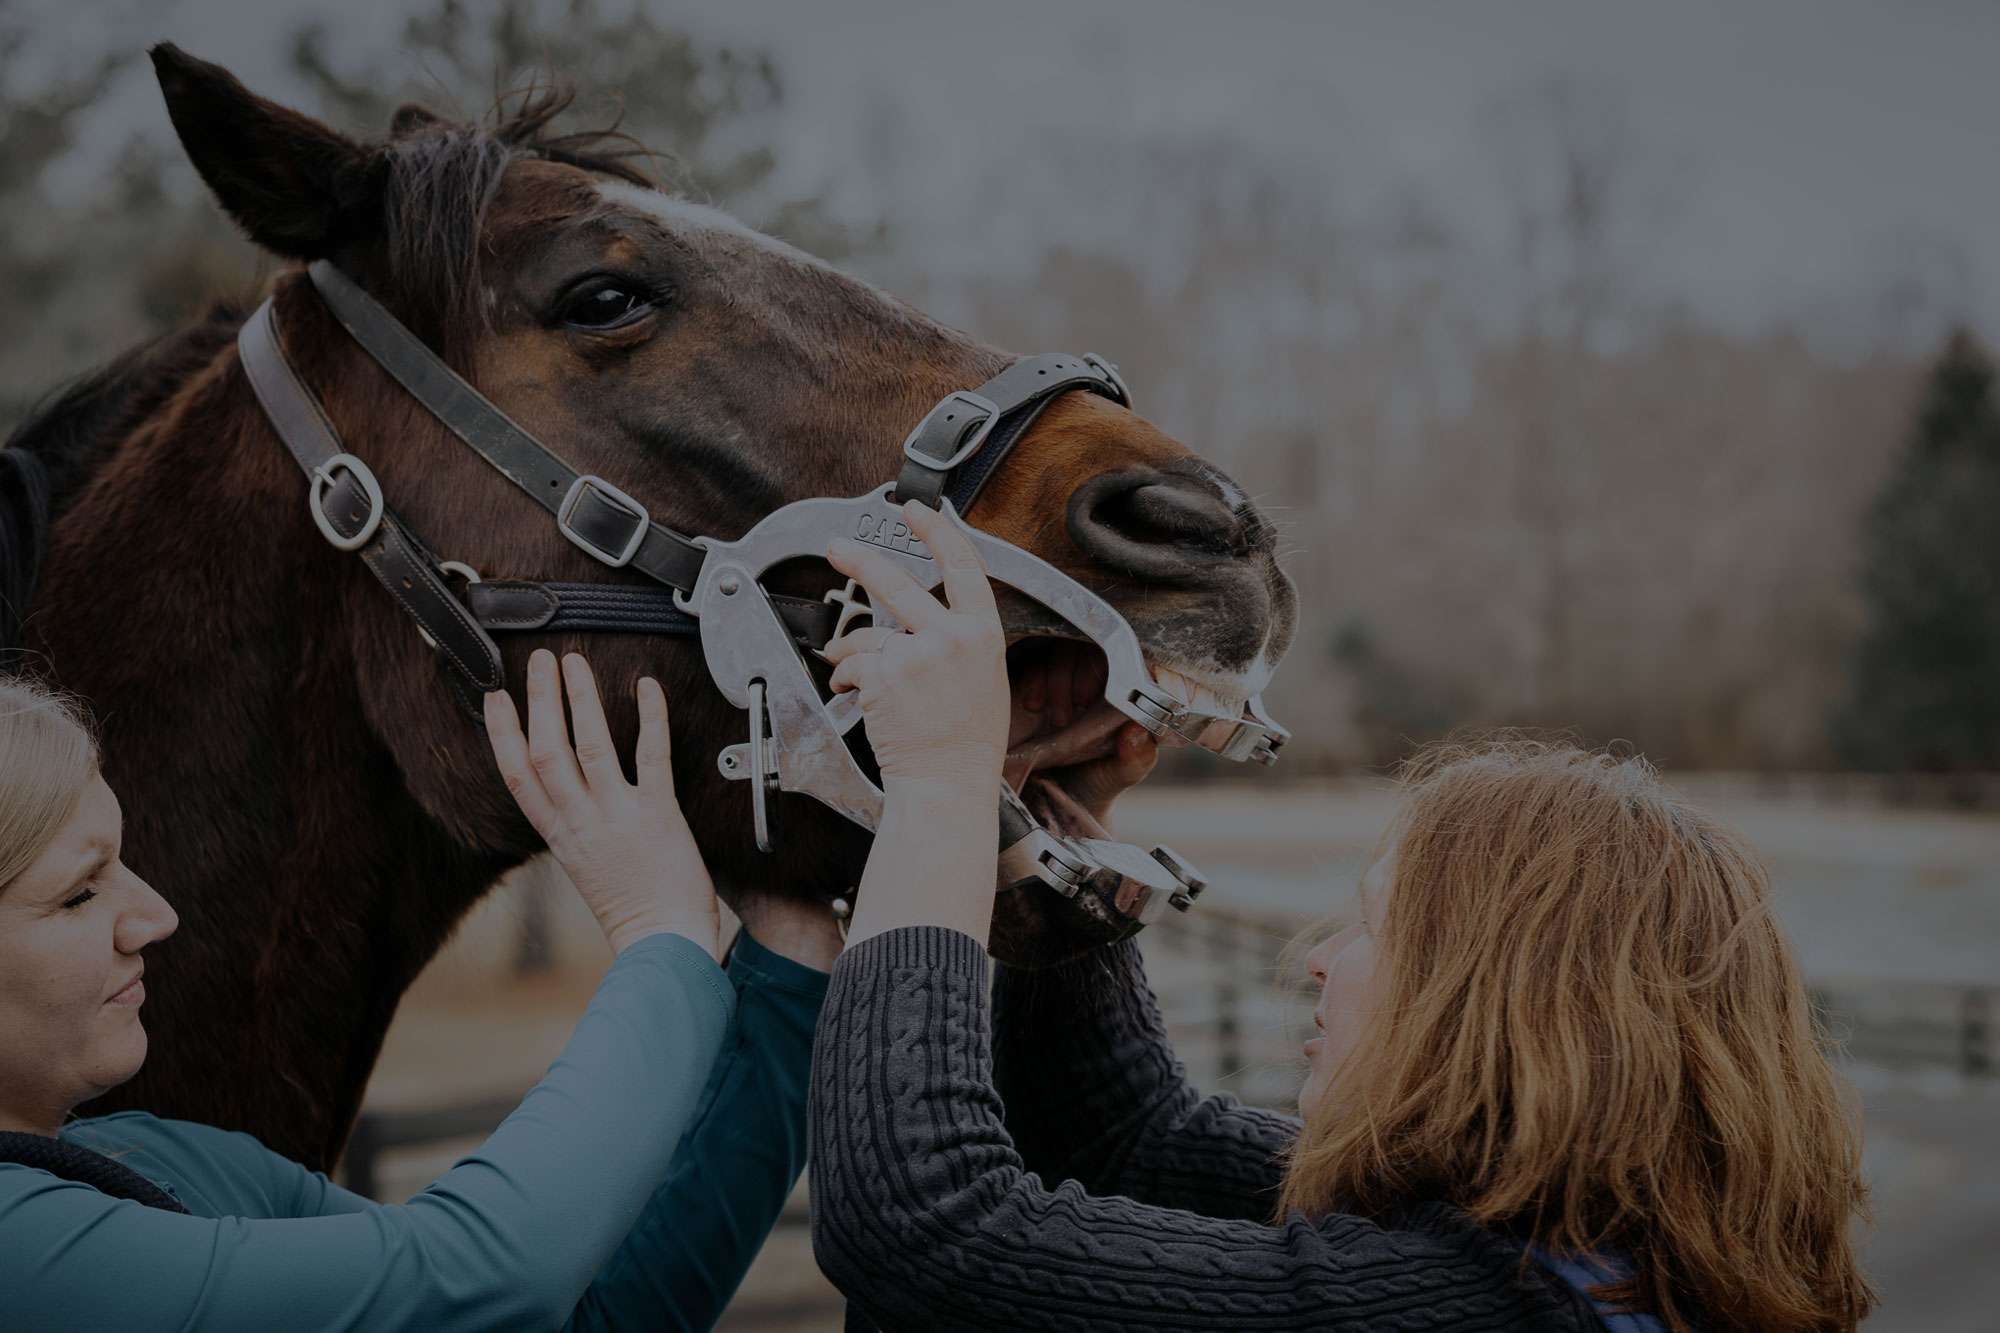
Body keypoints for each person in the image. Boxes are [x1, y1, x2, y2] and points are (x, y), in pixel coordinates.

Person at [804, 498, 1875, 1332]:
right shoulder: (1589, 1246)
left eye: (1374, 930)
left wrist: (940, 786)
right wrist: (1069, 817)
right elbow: (1125, 1139)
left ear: (1499, 1007)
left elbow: (928, 1225)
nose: (1321, 965)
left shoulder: (1468, 1307)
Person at [0, 647, 839, 1330]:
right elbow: (481, 1276)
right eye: (80, 892)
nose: (155, 915)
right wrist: (660, 937)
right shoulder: (24, 1254)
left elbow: (578, 1319)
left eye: (124, 864)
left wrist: (789, 972)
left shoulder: (160, 1159)